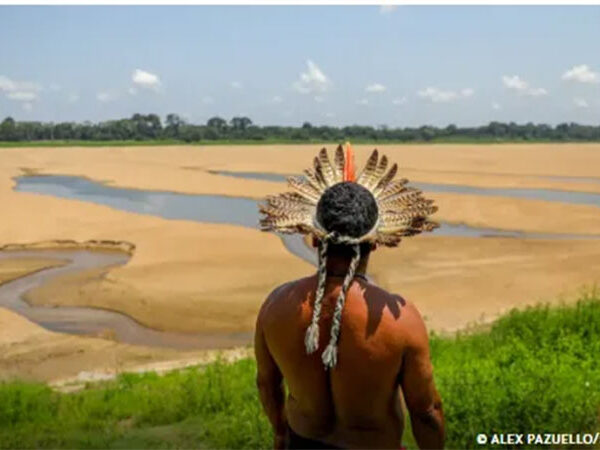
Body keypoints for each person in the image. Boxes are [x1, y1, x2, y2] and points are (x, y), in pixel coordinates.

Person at [255, 144, 445, 449]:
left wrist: (280, 432)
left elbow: (267, 384)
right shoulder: (401, 320)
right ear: (377, 242)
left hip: (302, 442)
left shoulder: (276, 305)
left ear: (314, 239)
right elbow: (426, 412)